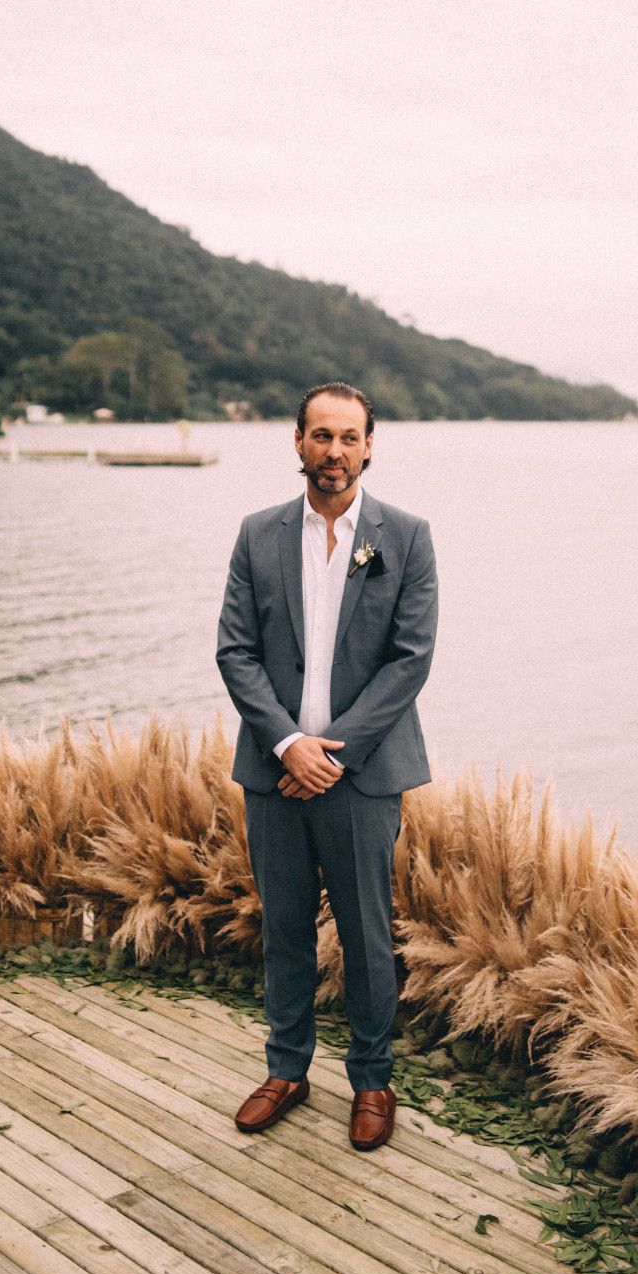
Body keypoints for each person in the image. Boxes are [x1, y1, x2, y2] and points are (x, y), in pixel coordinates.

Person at [216, 381, 438, 1150]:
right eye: (320, 436)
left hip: (361, 776)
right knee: (282, 930)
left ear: (369, 445)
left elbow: (409, 661)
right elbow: (235, 651)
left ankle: (372, 1081)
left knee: (365, 935)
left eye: (348, 438)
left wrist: (331, 754)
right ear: (297, 441)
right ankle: (286, 1068)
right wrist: (287, 743)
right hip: (275, 774)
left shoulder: (404, 537)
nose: (333, 452)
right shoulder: (257, 534)